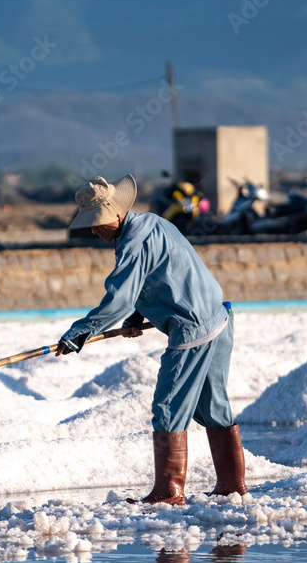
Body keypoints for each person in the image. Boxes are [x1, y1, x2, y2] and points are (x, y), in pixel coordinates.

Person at [55, 174, 248, 505]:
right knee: (213, 406)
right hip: (217, 317)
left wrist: (81, 332)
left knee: (168, 407)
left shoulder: (132, 243)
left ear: (116, 215)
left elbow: (119, 298)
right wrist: (136, 316)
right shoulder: (152, 224)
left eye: (98, 222)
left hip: (192, 328)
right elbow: (160, 278)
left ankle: (168, 491)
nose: (94, 229)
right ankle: (233, 486)